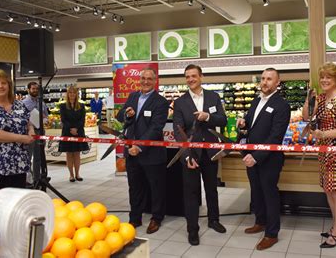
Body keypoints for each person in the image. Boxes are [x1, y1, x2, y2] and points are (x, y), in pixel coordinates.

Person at [173, 64, 227, 246]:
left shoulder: (213, 97)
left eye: (194, 76)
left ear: (201, 76)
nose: (190, 79)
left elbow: (223, 120)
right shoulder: (180, 102)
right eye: (187, 77)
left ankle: (214, 220)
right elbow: (178, 131)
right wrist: (187, 155)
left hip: (210, 152)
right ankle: (192, 229)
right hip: (191, 154)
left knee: (212, 188)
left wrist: (208, 117)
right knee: (191, 192)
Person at [237, 68, 291, 251]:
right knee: (256, 191)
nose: (265, 82)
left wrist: (256, 156)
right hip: (251, 156)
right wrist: (243, 124)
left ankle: (272, 233)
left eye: (269, 79)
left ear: (277, 83)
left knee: (270, 194)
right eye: (263, 78)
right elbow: (250, 126)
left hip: (269, 159)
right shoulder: (256, 101)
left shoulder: (282, 105)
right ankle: (260, 221)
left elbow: (275, 137)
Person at [303, 62, 336, 248]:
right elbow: (306, 117)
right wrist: (309, 100)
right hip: (324, 150)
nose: (324, 80)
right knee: (328, 189)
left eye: (328, 77)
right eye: (322, 76)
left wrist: (323, 134)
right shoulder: (322, 99)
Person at [116, 68, 169, 234]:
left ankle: (157, 218)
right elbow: (119, 117)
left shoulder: (161, 102)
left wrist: (138, 146)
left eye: (149, 79)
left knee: (156, 187)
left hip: (151, 153)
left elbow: (155, 128)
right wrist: (127, 113)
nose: (145, 81)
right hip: (131, 153)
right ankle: (135, 217)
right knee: (135, 187)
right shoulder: (133, 96)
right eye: (143, 78)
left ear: (155, 81)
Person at [0, 69, 35, 194]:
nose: (0, 86)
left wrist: (31, 130)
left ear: (9, 85)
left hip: (19, 164)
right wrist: (22, 138)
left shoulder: (19, 105)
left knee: (17, 204)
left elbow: (27, 123)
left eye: (3, 83)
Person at [58, 86, 89, 182]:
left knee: (77, 154)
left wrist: (76, 129)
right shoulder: (63, 106)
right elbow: (63, 120)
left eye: (74, 93)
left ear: (76, 94)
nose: (72, 94)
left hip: (78, 132)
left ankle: (77, 174)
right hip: (67, 132)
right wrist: (71, 128)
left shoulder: (81, 106)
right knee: (69, 154)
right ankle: (71, 175)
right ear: (67, 94)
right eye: (70, 93)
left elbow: (82, 120)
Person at [22, 81, 49, 185]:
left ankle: (37, 179)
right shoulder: (23, 103)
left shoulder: (42, 102)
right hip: (28, 132)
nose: (35, 90)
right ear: (28, 90)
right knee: (27, 156)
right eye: (33, 89)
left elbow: (46, 116)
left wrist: (45, 119)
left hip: (40, 132)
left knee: (39, 157)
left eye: (37, 89)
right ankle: (27, 179)